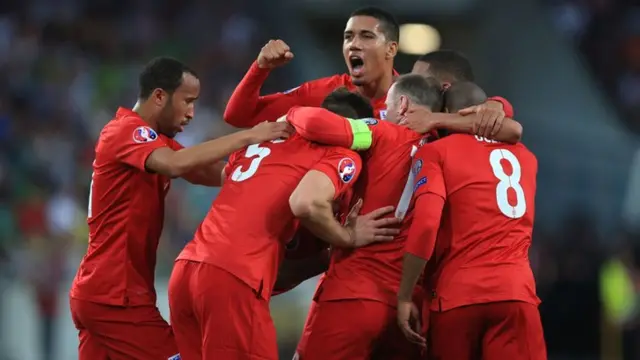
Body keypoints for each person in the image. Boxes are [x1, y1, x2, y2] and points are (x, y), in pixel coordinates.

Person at [69, 57, 291, 360]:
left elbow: (215, 172)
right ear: (160, 96)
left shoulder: (153, 143)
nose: (191, 113)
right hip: (115, 296)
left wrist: (273, 171)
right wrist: (251, 134)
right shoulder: (127, 131)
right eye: (187, 101)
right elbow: (175, 165)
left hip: (101, 292)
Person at [287, 75, 522, 359]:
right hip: (410, 309)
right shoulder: (450, 152)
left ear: (402, 104)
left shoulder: (382, 133)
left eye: (387, 106)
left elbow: (316, 123)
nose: (384, 112)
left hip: (352, 294)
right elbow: (510, 128)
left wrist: (292, 111)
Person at [168, 88, 400, 360]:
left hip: (186, 271)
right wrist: (347, 237)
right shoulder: (340, 152)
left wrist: (326, 254)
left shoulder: (263, 143)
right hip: (234, 277)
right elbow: (307, 204)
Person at [397, 81, 546, 360]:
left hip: (457, 297)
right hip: (516, 293)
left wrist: (405, 295)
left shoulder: (437, 152)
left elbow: (427, 224)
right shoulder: (528, 157)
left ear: (449, 113)